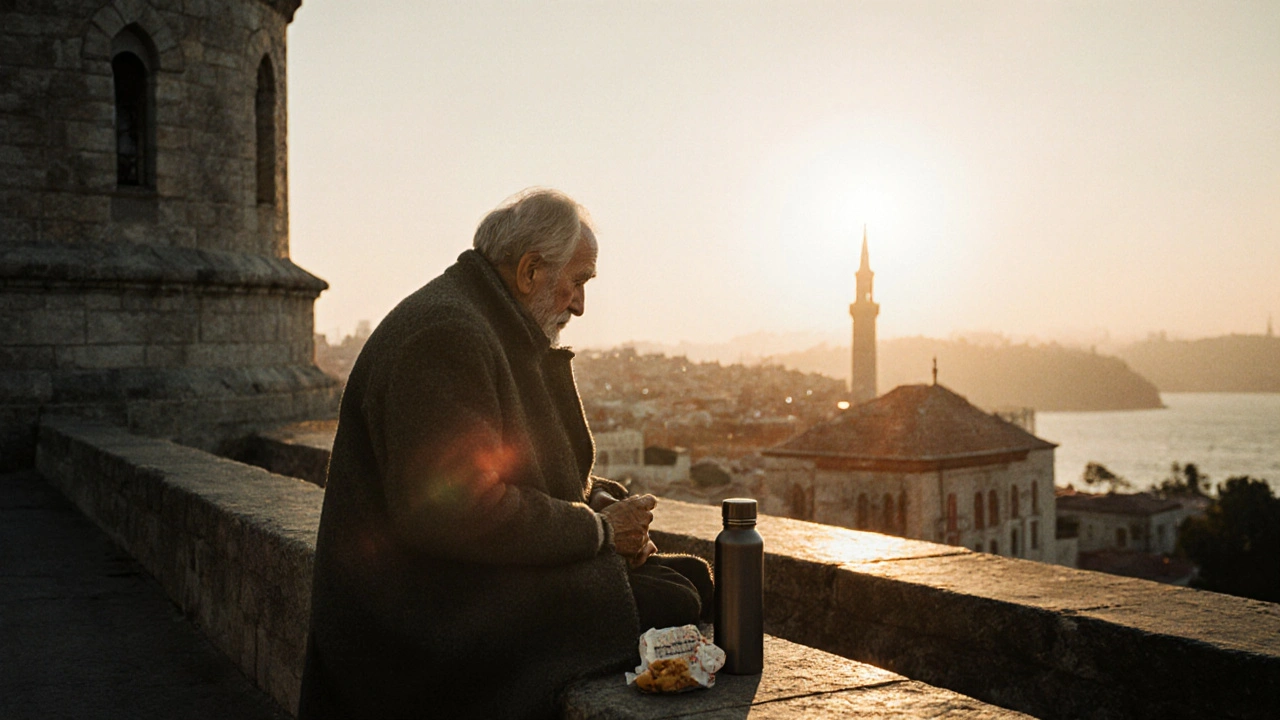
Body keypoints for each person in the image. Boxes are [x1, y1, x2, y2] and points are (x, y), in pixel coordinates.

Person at [298, 189, 712, 720]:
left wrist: (599, 503)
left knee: (690, 581)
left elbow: (517, 466)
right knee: (677, 598)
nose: (581, 304)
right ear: (530, 271)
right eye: (578, 281)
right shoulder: (447, 334)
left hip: (459, 582)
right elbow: (451, 507)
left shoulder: (485, 322)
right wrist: (600, 531)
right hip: (422, 618)